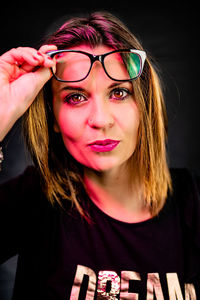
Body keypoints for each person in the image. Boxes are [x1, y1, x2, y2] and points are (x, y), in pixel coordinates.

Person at [0, 11, 199, 300]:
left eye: (119, 92)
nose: (101, 120)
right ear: (53, 117)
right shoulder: (34, 200)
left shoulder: (193, 202)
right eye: (75, 97)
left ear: (144, 105)